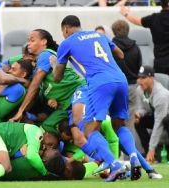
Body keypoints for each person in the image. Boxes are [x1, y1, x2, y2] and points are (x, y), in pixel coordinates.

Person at [51, 15, 143, 182]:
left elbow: (57, 77)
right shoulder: (99, 35)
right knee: (119, 125)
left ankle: (114, 164)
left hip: (100, 83)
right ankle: (134, 158)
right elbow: (120, 54)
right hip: (120, 79)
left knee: (89, 130)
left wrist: (53, 65)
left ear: (65, 29)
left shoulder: (67, 43)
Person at [10, 29, 58, 122]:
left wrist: (20, 111)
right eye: (28, 41)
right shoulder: (35, 62)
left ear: (44, 42)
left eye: (32, 40)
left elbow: (35, 86)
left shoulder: (45, 54)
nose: (29, 44)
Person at [111, 19, 142, 153]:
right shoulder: (136, 47)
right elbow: (138, 67)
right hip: (131, 87)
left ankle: (114, 155)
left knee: (112, 122)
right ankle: (131, 155)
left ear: (114, 31)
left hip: (115, 87)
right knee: (130, 124)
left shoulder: (111, 47)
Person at [120, 0, 169, 74]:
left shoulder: (154, 18)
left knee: (161, 83)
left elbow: (138, 21)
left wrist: (126, 14)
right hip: (161, 62)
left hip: (160, 62)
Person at [135, 65, 169, 163]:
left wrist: (152, 147)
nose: (140, 81)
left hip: (165, 118)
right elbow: (143, 108)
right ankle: (150, 156)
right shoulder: (140, 89)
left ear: (152, 78)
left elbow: (159, 123)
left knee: (165, 121)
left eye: (144, 78)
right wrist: (139, 114)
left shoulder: (161, 95)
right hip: (160, 116)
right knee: (139, 121)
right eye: (139, 77)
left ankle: (151, 152)